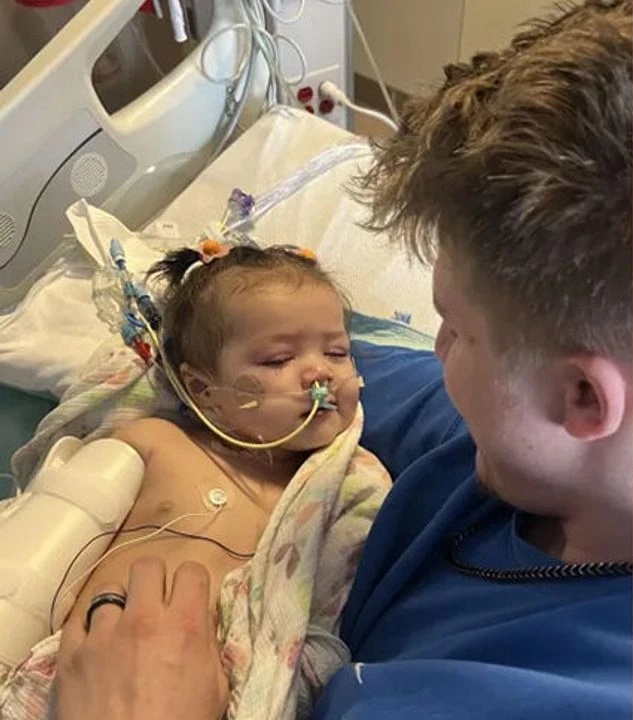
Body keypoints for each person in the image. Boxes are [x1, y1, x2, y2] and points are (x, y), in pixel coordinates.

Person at [52, 0, 632, 718]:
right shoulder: (496, 444)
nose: (432, 350)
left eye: (454, 330)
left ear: (584, 398)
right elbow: (261, 345)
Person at [2, 243, 390, 720]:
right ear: (205, 391)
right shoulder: (157, 444)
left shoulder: (336, 493)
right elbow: (43, 538)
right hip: (65, 679)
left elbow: (327, 625)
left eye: (337, 352)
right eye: (277, 359)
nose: (320, 372)